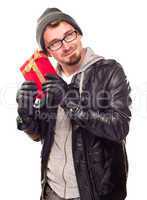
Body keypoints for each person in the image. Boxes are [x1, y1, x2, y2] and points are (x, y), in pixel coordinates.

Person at [16, 7, 132, 200]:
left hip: (95, 194)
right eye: (54, 43)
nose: (65, 45)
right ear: (48, 53)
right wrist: (26, 112)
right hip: (51, 191)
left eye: (68, 35)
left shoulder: (110, 71)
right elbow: (38, 135)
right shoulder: (46, 80)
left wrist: (67, 99)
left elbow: (119, 128)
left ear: (78, 33)